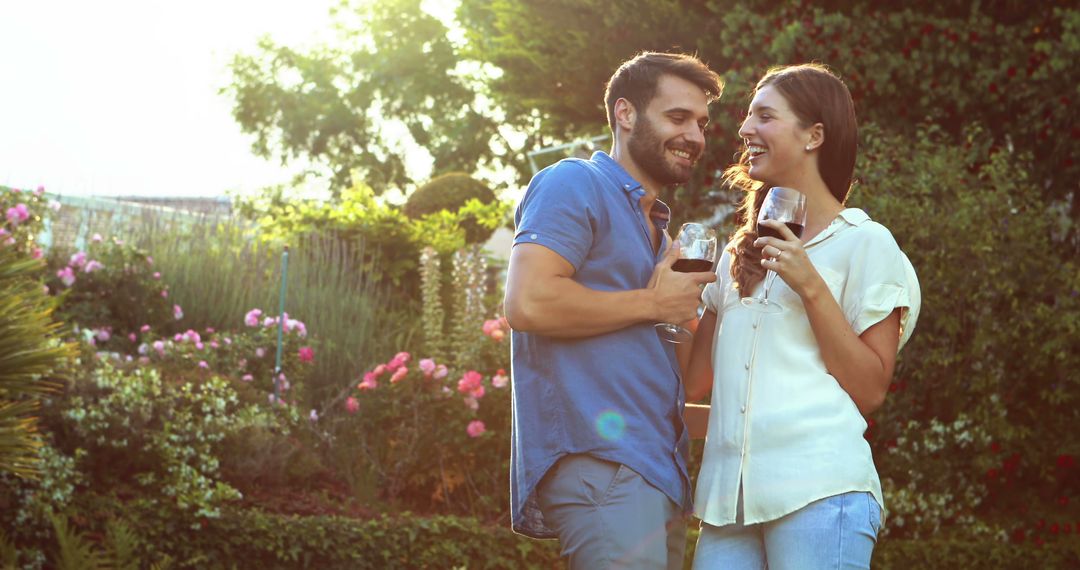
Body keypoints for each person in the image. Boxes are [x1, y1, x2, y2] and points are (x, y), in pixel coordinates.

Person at [682, 63, 921, 569]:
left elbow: (871, 388)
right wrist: (671, 303)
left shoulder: (865, 243)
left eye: (764, 116)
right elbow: (694, 381)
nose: (745, 129)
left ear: (815, 135)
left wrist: (810, 285)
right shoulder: (734, 256)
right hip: (729, 506)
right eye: (748, 116)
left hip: (822, 492)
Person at [503, 51, 723, 569]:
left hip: (660, 476)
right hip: (605, 468)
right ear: (625, 114)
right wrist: (652, 301)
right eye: (677, 117)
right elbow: (527, 301)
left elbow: (688, 381)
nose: (695, 135)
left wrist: (718, 302)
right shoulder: (573, 182)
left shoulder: (662, 236)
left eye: (701, 123)